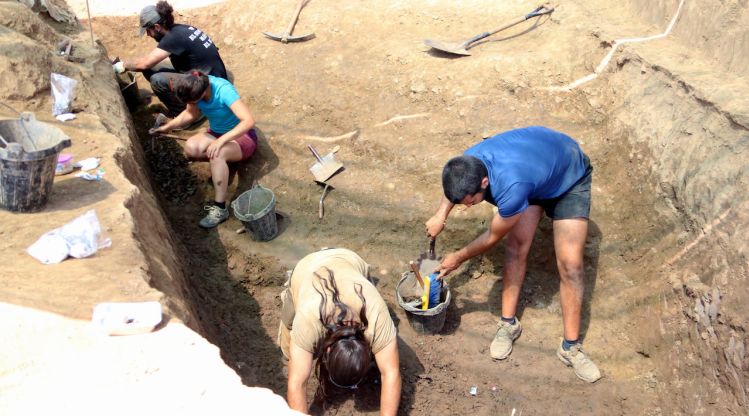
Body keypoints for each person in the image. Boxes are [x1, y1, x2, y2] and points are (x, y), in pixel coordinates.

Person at [425, 126, 601, 383]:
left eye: (470, 202)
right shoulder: (468, 162)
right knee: (517, 247)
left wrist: (458, 257)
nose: (467, 207)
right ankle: (508, 324)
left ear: (484, 183)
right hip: (535, 172)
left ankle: (570, 347)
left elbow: (493, 236)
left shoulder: (512, 186)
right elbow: (454, 185)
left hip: (569, 175)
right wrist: (440, 215)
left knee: (571, 265)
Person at [278, 249, 401, 415]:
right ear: (327, 350)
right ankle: (289, 290)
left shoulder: (376, 316)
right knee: (289, 350)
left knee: (383, 348)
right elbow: (297, 383)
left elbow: (391, 373)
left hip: (349, 259)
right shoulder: (307, 322)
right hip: (307, 268)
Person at [149, 71, 257, 228]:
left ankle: (220, 209)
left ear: (204, 92)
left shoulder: (223, 90)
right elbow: (189, 114)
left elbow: (248, 121)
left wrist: (221, 141)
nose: (194, 104)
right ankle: (223, 162)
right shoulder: (193, 84)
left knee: (217, 153)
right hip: (217, 132)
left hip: (242, 136)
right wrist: (167, 127)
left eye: (195, 101)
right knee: (192, 148)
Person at [113, 1, 228, 117]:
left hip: (210, 88)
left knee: (157, 80)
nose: (148, 34)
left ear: (157, 27)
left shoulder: (172, 38)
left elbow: (144, 64)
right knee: (151, 67)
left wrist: (120, 66)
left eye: (148, 30)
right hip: (211, 76)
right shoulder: (180, 29)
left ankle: (187, 114)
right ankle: (187, 101)